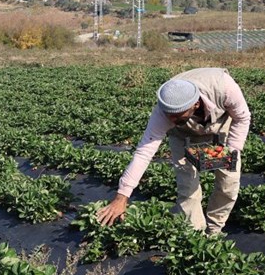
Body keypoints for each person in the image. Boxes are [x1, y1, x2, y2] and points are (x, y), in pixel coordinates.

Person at [97, 67, 251, 236]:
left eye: (177, 116)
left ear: (196, 104)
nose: (171, 119)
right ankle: (195, 237)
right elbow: (144, 152)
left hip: (220, 126)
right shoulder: (164, 112)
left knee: (228, 183)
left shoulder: (224, 87)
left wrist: (231, 151)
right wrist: (121, 197)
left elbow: (242, 117)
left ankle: (214, 229)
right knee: (187, 186)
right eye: (168, 115)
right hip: (183, 135)